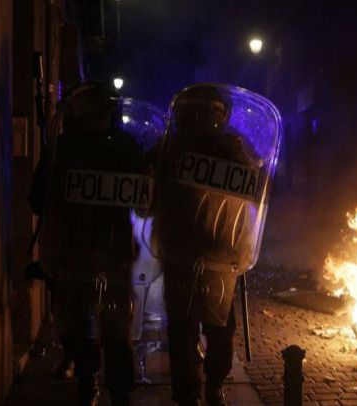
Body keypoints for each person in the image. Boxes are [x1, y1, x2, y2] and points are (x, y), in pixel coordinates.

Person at [30, 82, 150, 405]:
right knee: (87, 329)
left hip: (106, 254)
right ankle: (94, 387)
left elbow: (145, 198)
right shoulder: (68, 149)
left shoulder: (115, 148)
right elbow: (38, 197)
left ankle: (113, 392)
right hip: (82, 253)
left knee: (113, 332)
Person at [153, 86, 260, 406]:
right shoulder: (170, 148)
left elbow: (261, 190)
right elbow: (147, 188)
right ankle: (190, 394)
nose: (203, 119)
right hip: (183, 250)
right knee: (187, 329)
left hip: (220, 252)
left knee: (217, 330)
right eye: (199, 112)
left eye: (211, 113)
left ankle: (212, 384)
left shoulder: (233, 147)